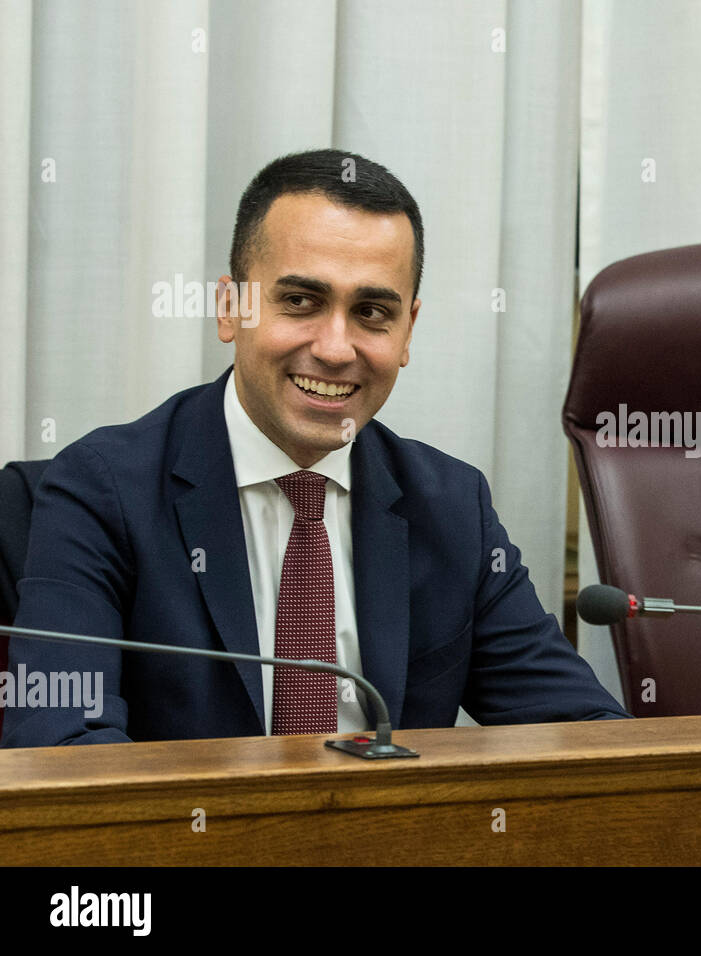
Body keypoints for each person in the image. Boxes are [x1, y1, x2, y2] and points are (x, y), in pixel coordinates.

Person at [2, 149, 627, 746]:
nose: (335, 348)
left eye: (372, 312)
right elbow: (65, 747)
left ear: (408, 332)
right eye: (301, 301)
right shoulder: (101, 489)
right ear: (230, 309)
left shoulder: (451, 505)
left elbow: (581, 731)